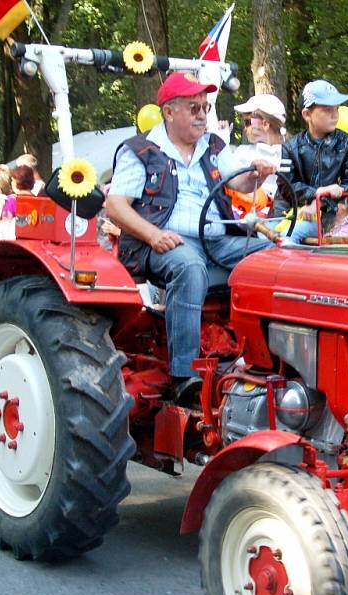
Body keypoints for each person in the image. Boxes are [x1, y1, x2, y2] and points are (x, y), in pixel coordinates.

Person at [106, 72, 273, 385]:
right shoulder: (140, 150)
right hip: (166, 242)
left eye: (205, 108)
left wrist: (257, 175)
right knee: (189, 266)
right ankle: (185, 375)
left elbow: (239, 181)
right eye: (194, 108)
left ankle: (266, 357)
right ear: (169, 112)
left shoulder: (213, 145)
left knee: (276, 254)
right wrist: (153, 235)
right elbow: (115, 206)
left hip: (217, 242)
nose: (202, 115)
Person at [281, 79, 348, 243]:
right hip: (292, 213)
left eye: (336, 109)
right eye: (326, 109)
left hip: (330, 215)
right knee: (262, 232)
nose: (335, 114)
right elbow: (285, 186)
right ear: (307, 114)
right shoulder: (291, 147)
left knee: (291, 235)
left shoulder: (346, 142)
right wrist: (315, 194)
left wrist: (321, 201)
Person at [226, 93, 287, 241]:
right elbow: (226, 178)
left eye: (248, 122)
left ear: (265, 124)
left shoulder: (288, 154)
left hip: (279, 220)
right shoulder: (242, 153)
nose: (246, 127)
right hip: (243, 220)